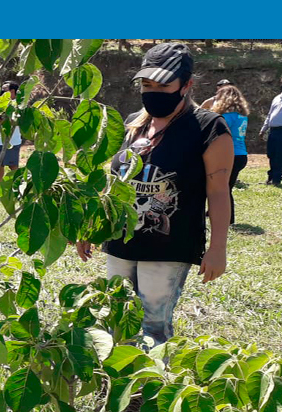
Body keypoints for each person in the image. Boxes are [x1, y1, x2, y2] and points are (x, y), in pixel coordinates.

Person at [76, 43, 233, 347]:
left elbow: (218, 191)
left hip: (169, 244)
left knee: (153, 323)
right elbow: (114, 182)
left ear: (186, 85)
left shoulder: (209, 128)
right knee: (115, 314)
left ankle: (148, 389)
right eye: (147, 84)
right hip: (120, 239)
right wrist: (91, 226)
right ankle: (119, 381)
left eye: (164, 85)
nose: (153, 91)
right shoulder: (134, 123)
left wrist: (218, 248)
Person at [209, 85, 250, 224]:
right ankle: (217, 214)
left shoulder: (226, 117)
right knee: (226, 186)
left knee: (223, 188)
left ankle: (229, 219)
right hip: (241, 154)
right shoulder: (242, 116)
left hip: (228, 154)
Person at [0, 81, 22, 199]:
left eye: (6, 90)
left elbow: (19, 121)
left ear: (13, 92)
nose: (3, 93)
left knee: (13, 167)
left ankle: (18, 189)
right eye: (2, 91)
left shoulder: (19, 105)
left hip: (12, 141)